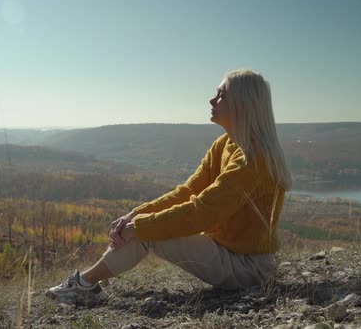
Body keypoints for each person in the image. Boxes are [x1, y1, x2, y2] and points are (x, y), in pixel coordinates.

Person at [45, 69, 291, 305]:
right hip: (227, 252)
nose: (212, 100)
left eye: (221, 95)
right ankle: (86, 283)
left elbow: (202, 212)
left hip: (249, 268)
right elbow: (188, 192)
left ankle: (84, 285)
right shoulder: (224, 144)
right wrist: (135, 214)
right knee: (143, 226)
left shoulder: (253, 159)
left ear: (243, 103)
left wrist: (138, 227)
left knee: (148, 232)